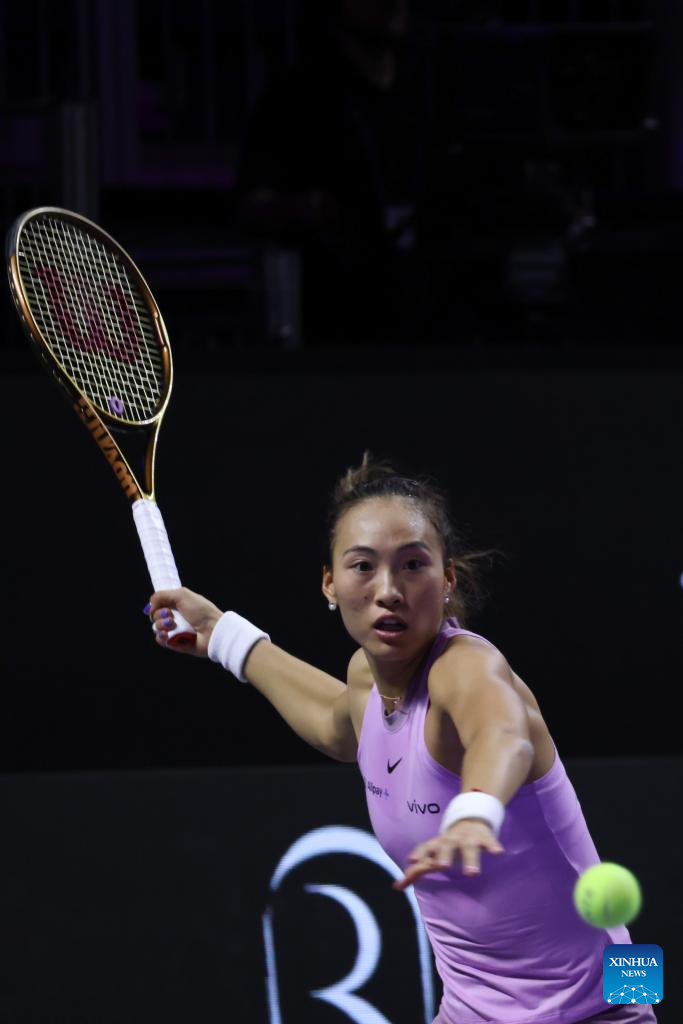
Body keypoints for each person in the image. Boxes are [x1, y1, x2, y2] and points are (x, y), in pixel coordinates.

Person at [148, 454, 656, 1024]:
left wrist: (473, 815)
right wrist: (222, 635)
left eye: (412, 565)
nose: (389, 589)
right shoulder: (365, 683)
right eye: (363, 566)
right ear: (330, 583)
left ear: (447, 579)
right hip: (471, 1011)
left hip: (600, 1005)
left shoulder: (466, 667)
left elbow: (502, 735)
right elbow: (336, 725)